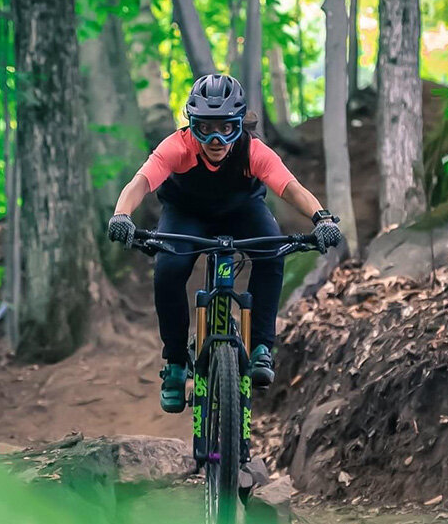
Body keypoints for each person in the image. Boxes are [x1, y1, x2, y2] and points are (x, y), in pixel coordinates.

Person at [106, 73, 342, 413]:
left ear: (239, 125)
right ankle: (174, 363)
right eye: (205, 128)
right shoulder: (177, 146)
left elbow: (289, 187)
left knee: (272, 253)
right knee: (168, 268)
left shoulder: (253, 151)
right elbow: (142, 182)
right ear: (192, 126)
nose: (216, 139)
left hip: (241, 211)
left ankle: (261, 346)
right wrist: (122, 214)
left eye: (227, 128)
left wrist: (321, 218)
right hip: (186, 214)